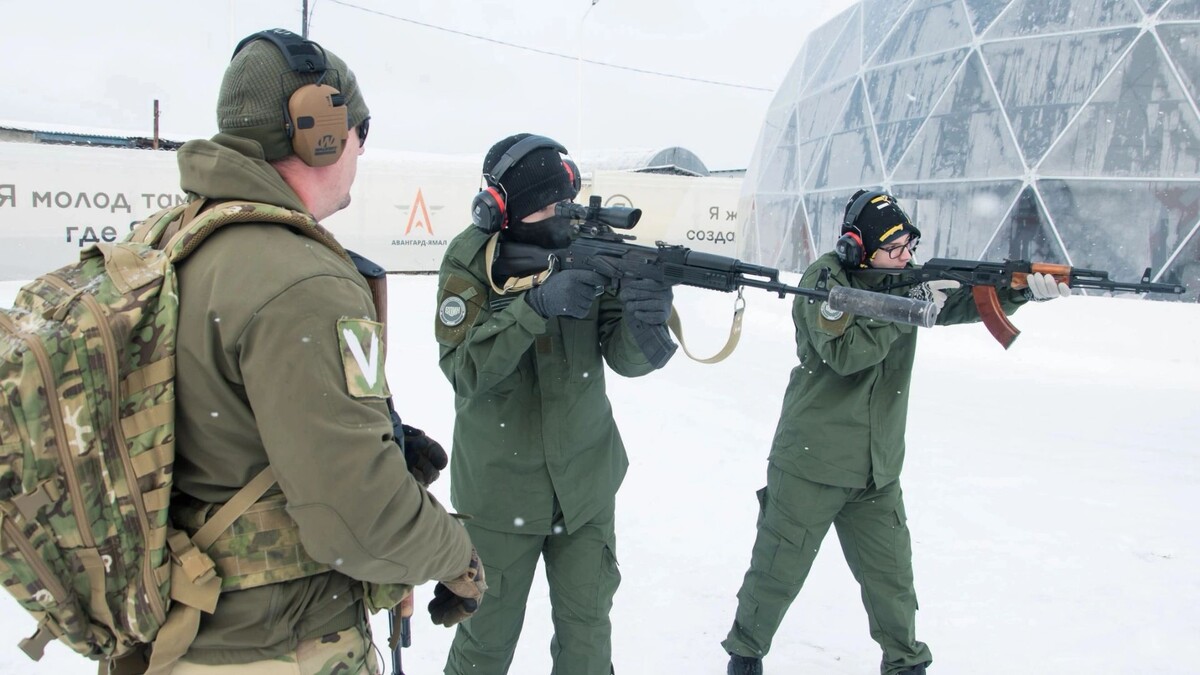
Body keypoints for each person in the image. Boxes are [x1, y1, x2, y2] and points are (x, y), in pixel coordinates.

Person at [165, 29, 483, 673]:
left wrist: (374, 436)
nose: (361, 152)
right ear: (323, 132)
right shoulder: (302, 280)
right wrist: (458, 557)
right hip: (277, 645)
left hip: (186, 632)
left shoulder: (180, 240)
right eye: (361, 131)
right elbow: (357, 518)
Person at [722, 189, 1070, 675]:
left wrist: (1017, 290)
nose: (907, 258)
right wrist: (910, 304)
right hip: (813, 461)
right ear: (856, 247)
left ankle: (906, 665)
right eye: (895, 249)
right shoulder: (825, 279)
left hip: (876, 467)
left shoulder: (906, 281)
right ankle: (745, 654)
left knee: (892, 581)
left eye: (910, 246)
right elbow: (845, 355)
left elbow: (956, 304)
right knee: (777, 569)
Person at [434, 133, 676, 675]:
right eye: (546, 207)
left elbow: (627, 358)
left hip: (585, 487)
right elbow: (464, 371)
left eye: (565, 203)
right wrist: (535, 306)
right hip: (498, 496)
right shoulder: (473, 258)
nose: (559, 217)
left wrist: (648, 316)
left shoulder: (589, 243)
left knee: (587, 645)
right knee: (483, 648)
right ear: (503, 211)